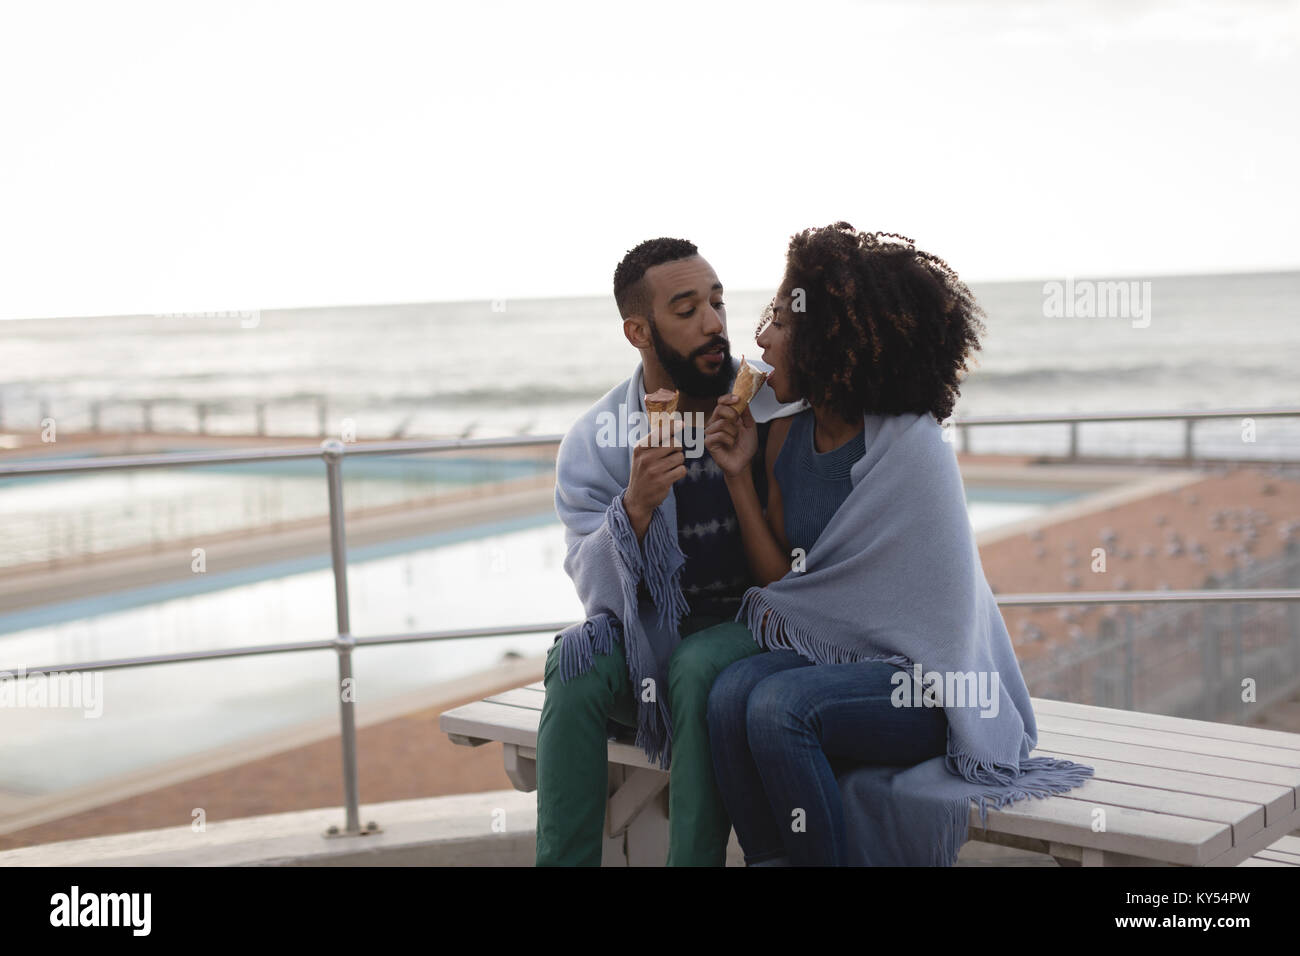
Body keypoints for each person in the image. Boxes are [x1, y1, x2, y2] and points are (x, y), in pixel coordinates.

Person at [703, 223, 1094, 866]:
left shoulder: (911, 450)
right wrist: (738, 476)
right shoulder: (780, 439)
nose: (761, 336)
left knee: (777, 705)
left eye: (779, 318)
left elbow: (938, 622)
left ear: (829, 337)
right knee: (727, 693)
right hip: (838, 666)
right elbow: (784, 589)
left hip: (929, 691)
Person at [535, 237, 805, 866]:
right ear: (639, 332)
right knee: (572, 665)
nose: (714, 324)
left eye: (716, 302)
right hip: (648, 631)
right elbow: (598, 594)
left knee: (694, 668)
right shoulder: (599, 440)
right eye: (686, 311)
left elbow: (807, 560)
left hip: (752, 627)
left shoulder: (769, 409)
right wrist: (632, 512)